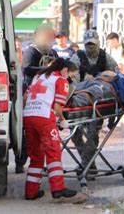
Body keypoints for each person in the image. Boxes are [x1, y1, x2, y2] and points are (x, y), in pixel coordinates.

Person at [23, 58, 78, 200]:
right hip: (44, 119)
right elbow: (57, 107)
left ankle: (31, 192)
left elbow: (24, 98)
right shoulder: (61, 81)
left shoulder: (38, 77)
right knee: (53, 153)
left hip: (28, 116)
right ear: (65, 70)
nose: (71, 79)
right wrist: (63, 121)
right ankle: (58, 188)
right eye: (71, 76)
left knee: (36, 156)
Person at [69, 29, 119, 171]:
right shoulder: (77, 58)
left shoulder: (105, 58)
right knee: (74, 132)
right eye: (88, 44)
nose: (90, 47)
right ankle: (89, 163)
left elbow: (116, 76)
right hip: (81, 100)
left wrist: (102, 77)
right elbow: (72, 81)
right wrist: (84, 81)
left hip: (99, 103)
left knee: (93, 133)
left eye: (93, 44)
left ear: (98, 43)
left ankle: (86, 164)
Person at [16, 25, 58, 173]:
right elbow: (26, 68)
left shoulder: (53, 52)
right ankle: (20, 161)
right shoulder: (31, 51)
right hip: (30, 92)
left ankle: (43, 162)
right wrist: (46, 69)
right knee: (26, 130)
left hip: (47, 95)